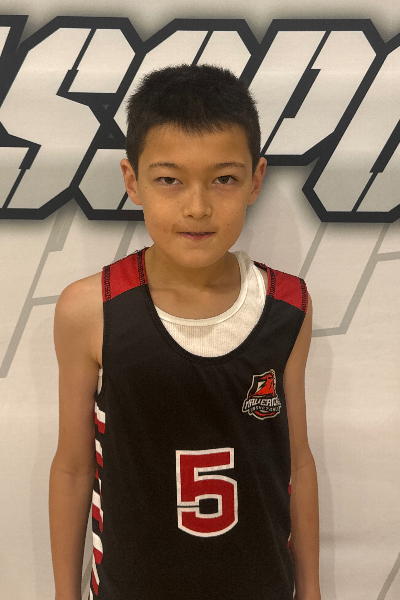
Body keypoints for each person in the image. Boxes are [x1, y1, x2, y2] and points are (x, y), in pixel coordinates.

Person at [49, 64, 321, 600]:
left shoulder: (288, 304)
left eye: (224, 179)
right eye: (169, 179)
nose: (197, 207)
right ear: (132, 180)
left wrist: (310, 591)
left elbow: (298, 462)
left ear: (256, 180)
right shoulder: (89, 309)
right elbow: (74, 469)